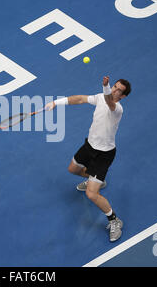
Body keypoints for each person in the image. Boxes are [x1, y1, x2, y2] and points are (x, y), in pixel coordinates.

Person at [45, 76, 131, 242]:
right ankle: (97, 180)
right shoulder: (100, 97)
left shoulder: (117, 108)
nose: (115, 90)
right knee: (73, 169)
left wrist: (105, 86)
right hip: (89, 146)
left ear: (123, 96)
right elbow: (79, 99)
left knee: (91, 194)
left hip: (104, 154)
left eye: (119, 90)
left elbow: (109, 102)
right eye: (115, 86)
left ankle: (114, 220)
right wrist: (56, 103)